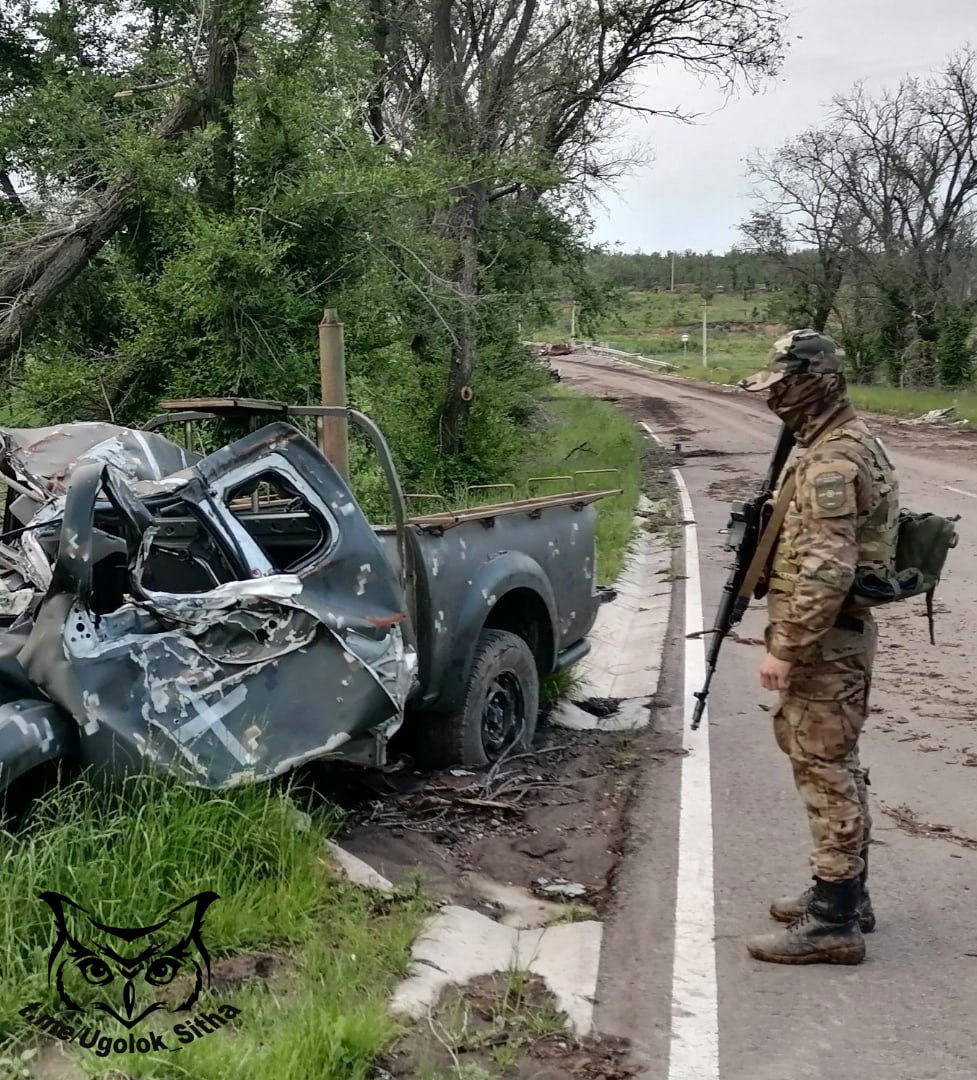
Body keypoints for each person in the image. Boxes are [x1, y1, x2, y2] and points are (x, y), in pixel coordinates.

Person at [737, 328, 899, 966]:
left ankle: (834, 923)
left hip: (826, 644)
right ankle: (845, 894)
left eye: (784, 384)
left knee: (823, 770)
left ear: (813, 384)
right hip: (838, 640)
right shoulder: (838, 442)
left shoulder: (833, 460)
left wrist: (786, 646)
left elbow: (826, 569)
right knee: (838, 764)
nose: (775, 396)